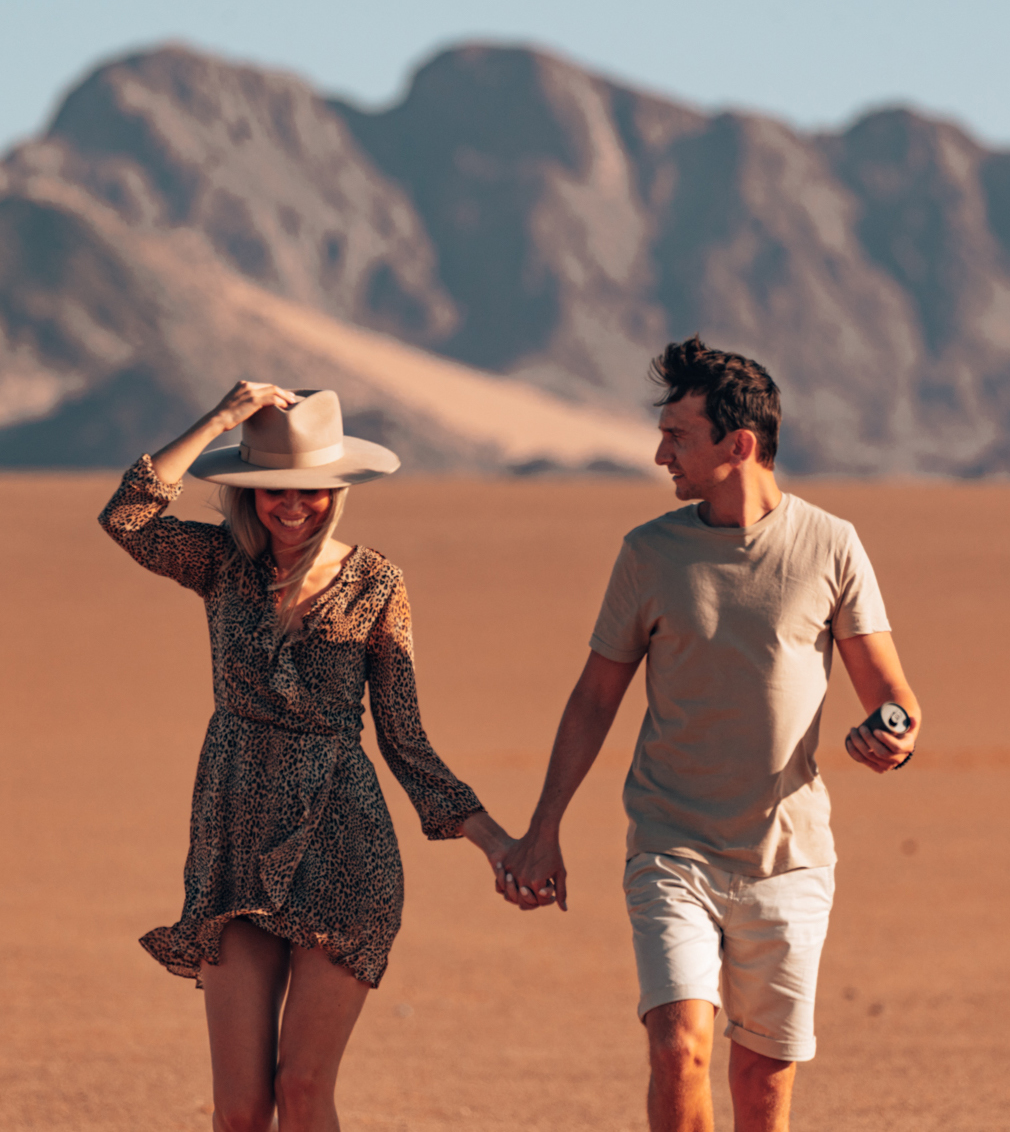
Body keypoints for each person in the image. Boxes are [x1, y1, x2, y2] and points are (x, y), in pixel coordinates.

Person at [499, 337, 920, 1132]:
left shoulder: (831, 544)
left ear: (740, 445)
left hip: (788, 858)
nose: (660, 453)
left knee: (761, 1083)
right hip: (672, 845)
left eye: (677, 437)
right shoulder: (648, 554)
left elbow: (891, 693)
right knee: (678, 1044)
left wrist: (892, 730)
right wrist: (542, 829)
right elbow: (594, 697)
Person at [99, 381, 517, 1132]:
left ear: (339, 488)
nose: (293, 506)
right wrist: (223, 418)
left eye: (313, 490)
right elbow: (128, 516)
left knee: (301, 1090)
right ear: (247, 491)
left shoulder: (379, 583)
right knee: (238, 1109)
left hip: (345, 851)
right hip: (234, 844)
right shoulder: (220, 563)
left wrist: (496, 843)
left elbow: (406, 738)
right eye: (272, 490)